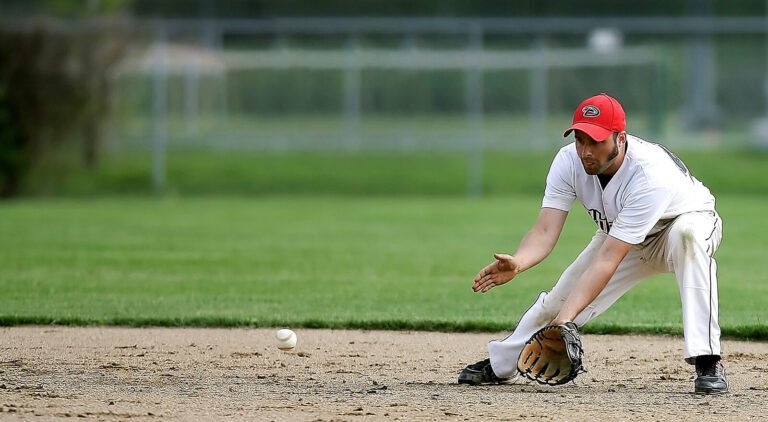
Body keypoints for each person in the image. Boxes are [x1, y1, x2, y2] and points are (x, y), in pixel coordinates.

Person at [457, 93, 728, 394]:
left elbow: (607, 260)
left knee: (687, 238)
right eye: (580, 139)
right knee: (559, 301)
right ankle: (503, 364)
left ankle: (708, 358)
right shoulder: (568, 161)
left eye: (596, 141)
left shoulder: (650, 175)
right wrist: (519, 261)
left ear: (620, 138)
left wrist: (565, 323)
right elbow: (546, 230)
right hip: (620, 235)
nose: (586, 150)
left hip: (679, 224)